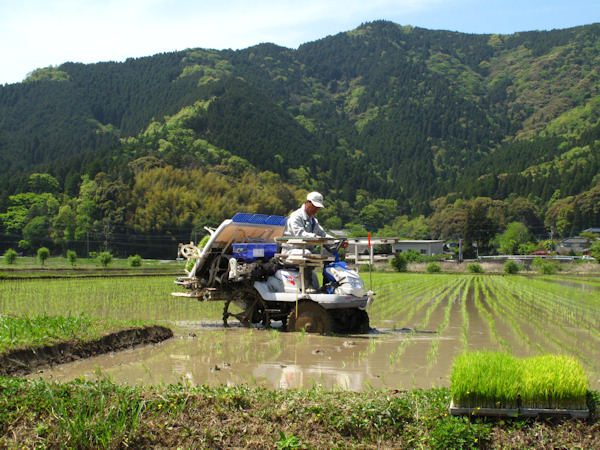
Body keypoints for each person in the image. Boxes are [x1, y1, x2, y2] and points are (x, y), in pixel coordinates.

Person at [281, 191, 331, 256]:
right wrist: (316, 237)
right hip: (291, 251)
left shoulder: (314, 221)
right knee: (307, 253)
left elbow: (323, 234)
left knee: (327, 254)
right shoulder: (296, 216)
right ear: (307, 202)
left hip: (308, 250)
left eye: (318, 207)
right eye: (314, 206)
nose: (316, 209)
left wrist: (337, 241)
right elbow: (300, 234)